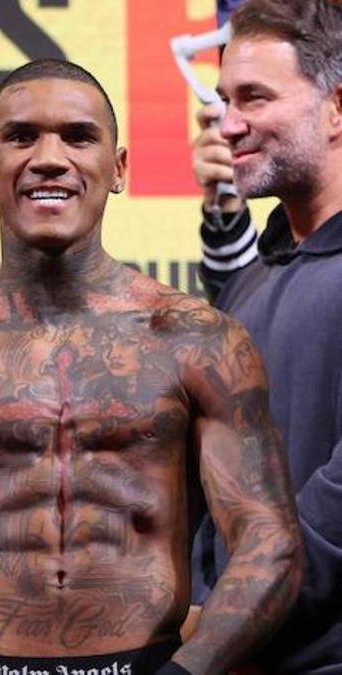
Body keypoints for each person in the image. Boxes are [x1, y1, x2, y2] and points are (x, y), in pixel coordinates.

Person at [0, 59, 302, 675]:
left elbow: (268, 539)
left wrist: (188, 671)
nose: (49, 158)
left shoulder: (195, 340)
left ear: (118, 168)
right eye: (21, 136)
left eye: (78, 136)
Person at [187, 1, 342, 671]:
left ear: (337, 109)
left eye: (254, 97)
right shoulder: (261, 277)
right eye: (224, 100)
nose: (227, 124)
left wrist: (222, 619)